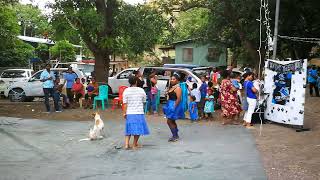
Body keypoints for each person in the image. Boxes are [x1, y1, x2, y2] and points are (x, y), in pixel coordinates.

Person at [122, 76, 149, 150]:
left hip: (129, 112)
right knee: (138, 129)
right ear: (136, 82)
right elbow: (144, 101)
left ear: (129, 82)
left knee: (129, 128)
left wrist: (124, 113)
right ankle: (134, 144)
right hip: (139, 112)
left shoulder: (126, 90)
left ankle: (126, 144)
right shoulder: (141, 90)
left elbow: (125, 103)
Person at [163, 73, 183, 142]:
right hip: (170, 104)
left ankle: (175, 135)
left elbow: (179, 99)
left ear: (177, 80)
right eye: (171, 79)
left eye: (174, 79)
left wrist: (174, 107)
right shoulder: (172, 87)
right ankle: (175, 135)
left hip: (174, 105)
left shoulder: (178, 88)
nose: (172, 80)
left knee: (169, 121)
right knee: (172, 121)